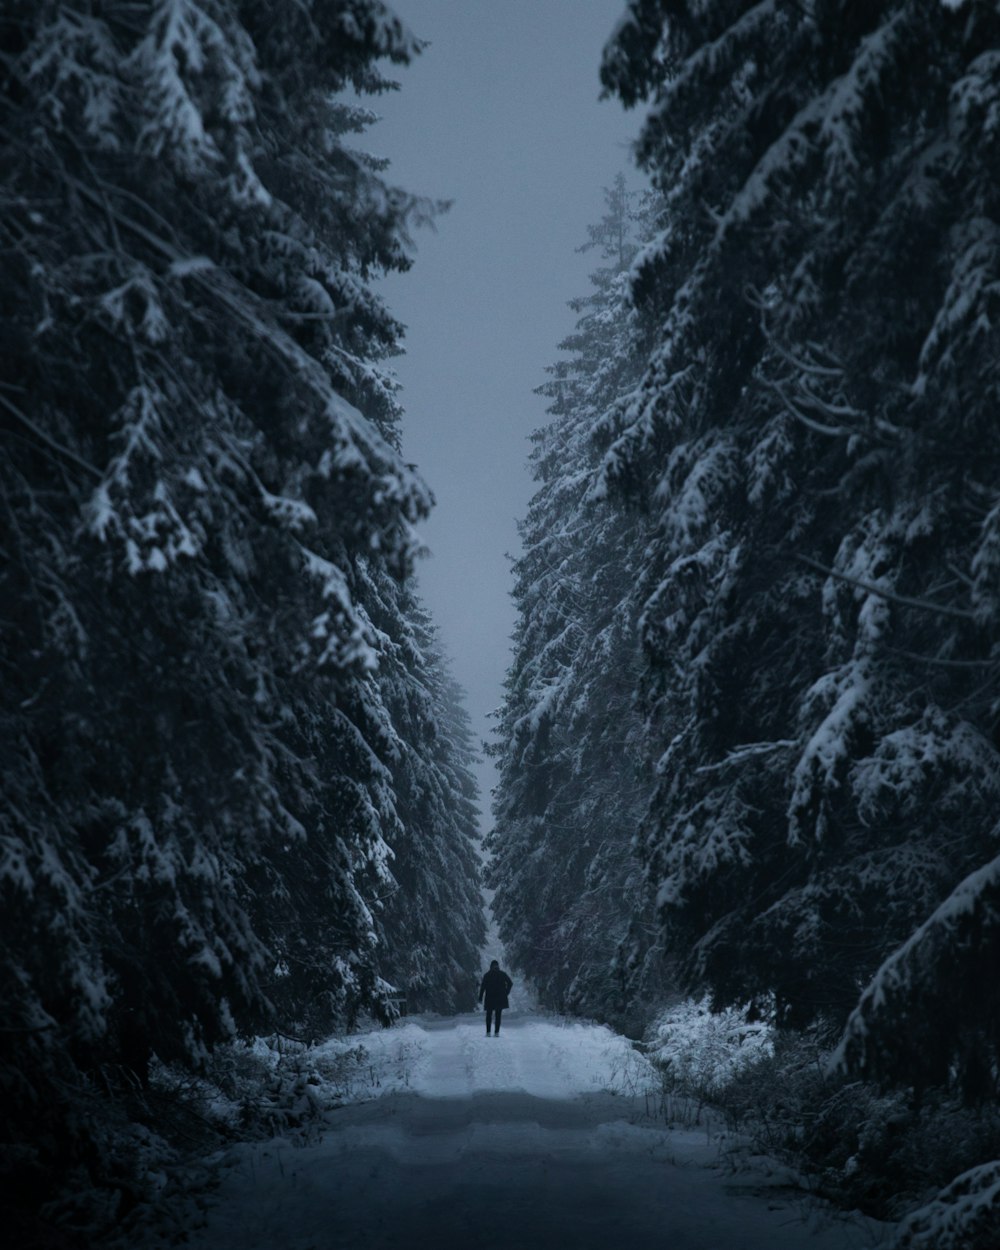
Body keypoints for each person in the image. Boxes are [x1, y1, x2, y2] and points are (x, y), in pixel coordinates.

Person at [478, 959, 513, 1036]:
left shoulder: (487, 975)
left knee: (489, 1015)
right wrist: (506, 992)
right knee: (498, 1015)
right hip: (500, 998)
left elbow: (482, 987)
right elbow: (510, 983)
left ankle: (488, 1032)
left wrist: (480, 998)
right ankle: (497, 1032)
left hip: (490, 998)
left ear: (491, 966)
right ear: (498, 966)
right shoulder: (503, 974)